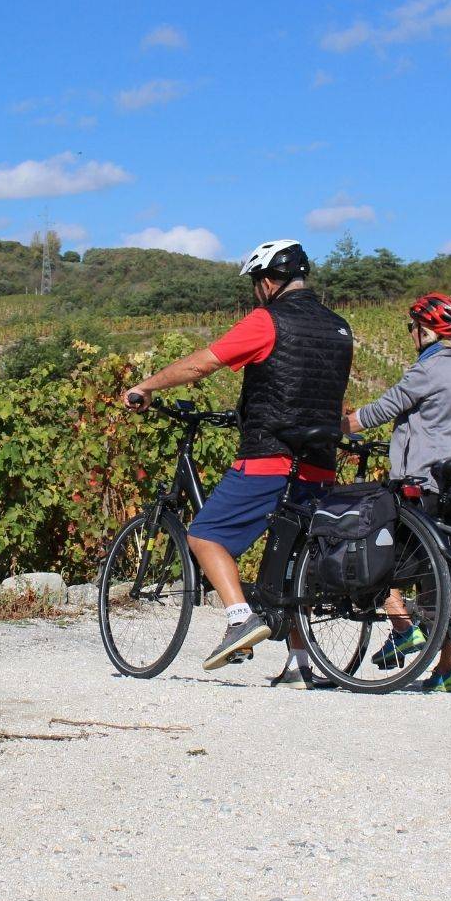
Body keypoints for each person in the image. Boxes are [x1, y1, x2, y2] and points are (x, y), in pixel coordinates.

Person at [124, 240, 353, 685]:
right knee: (291, 560)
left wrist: (146, 386)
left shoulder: (268, 320)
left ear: (267, 282)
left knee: (205, 535)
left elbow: (201, 365)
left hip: (271, 456)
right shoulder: (339, 327)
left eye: (255, 284)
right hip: (320, 461)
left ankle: (239, 618)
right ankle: (300, 664)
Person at [342, 292, 451, 693]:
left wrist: (340, 425)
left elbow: (382, 409)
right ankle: (446, 669)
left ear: (426, 331)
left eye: (412, 328)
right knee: (443, 578)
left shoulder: (428, 370)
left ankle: (403, 628)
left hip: (423, 482)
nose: (410, 334)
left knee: (377, 550)